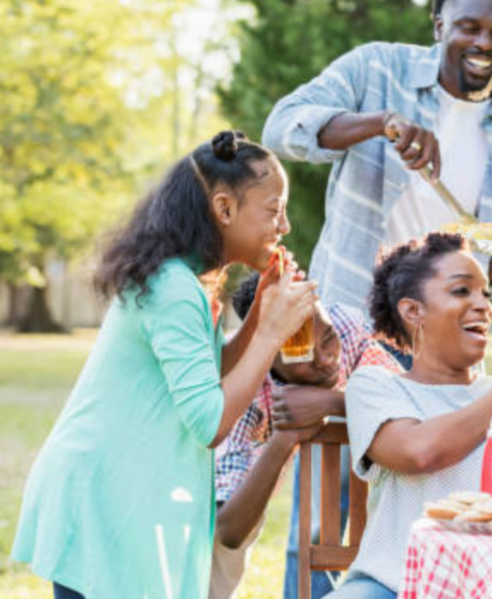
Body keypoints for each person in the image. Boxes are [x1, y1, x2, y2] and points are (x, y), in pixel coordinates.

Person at [12, 131, 317, 599]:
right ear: (224, 209)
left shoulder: (189, 281)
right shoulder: (173, 286)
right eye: (274, 210)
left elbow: (211, 376)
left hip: (118, 489)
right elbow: (209, 421)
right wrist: (274, 333)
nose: (284, 227)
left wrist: (259, 314)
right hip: (100, 494)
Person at [262, 0, 492, 313]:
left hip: (446, 340)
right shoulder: (376, 68)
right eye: (469, 28)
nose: (485, 43)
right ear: (439, 24)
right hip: (348, 320)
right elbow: (279, 128)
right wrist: (380, 123)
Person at [341, 233, 492, 597]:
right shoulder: (377, 386)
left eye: (485, 293)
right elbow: (418, 452)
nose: (484, 304)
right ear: (413, 310)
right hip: (392, 585)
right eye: (462, 291)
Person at [210, 274, 403, 599]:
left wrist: (334, 402)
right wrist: (285, 439)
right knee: (220, 559)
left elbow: (407, 403)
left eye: (327, 339)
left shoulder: (346, 327)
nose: (326, 359)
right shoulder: (241, 380)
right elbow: (228, 530)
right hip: (189, 483)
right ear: (266, 353)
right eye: (302, 354)